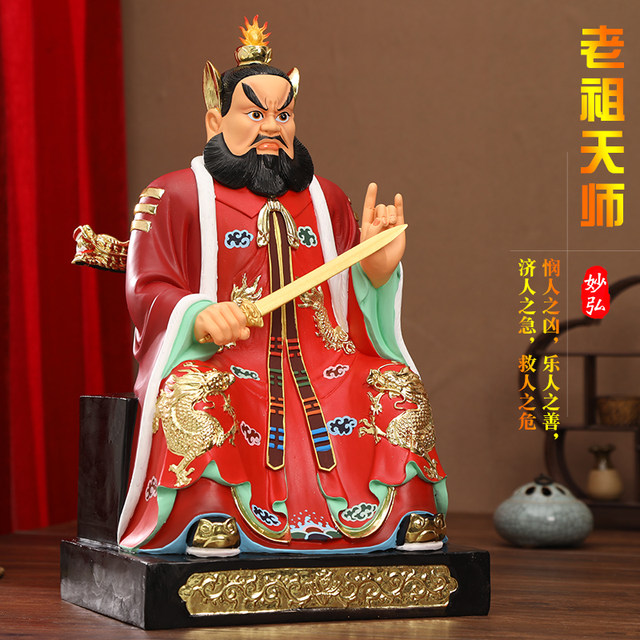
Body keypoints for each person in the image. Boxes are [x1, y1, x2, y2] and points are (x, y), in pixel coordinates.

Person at [118, 17, 447, 556]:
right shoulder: (174, 195)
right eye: (255, 113)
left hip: (322, 361)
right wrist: (197, 313)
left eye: (283, 114)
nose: (272, 126)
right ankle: (209, 513)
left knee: (393, 384)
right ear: (215, 121)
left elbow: (350, 302)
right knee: (193, 391)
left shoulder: (327, 200)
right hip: (230, 359)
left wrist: (375, 272)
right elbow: (146, 285)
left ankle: (404, 510)